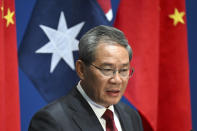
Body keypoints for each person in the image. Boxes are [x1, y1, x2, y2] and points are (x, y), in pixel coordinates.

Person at [28, 25, 143, 131]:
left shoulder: (131, 116)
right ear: (81, 69)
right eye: (107, 70)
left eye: (123, 70)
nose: (117, 80)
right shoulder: (51, 121)